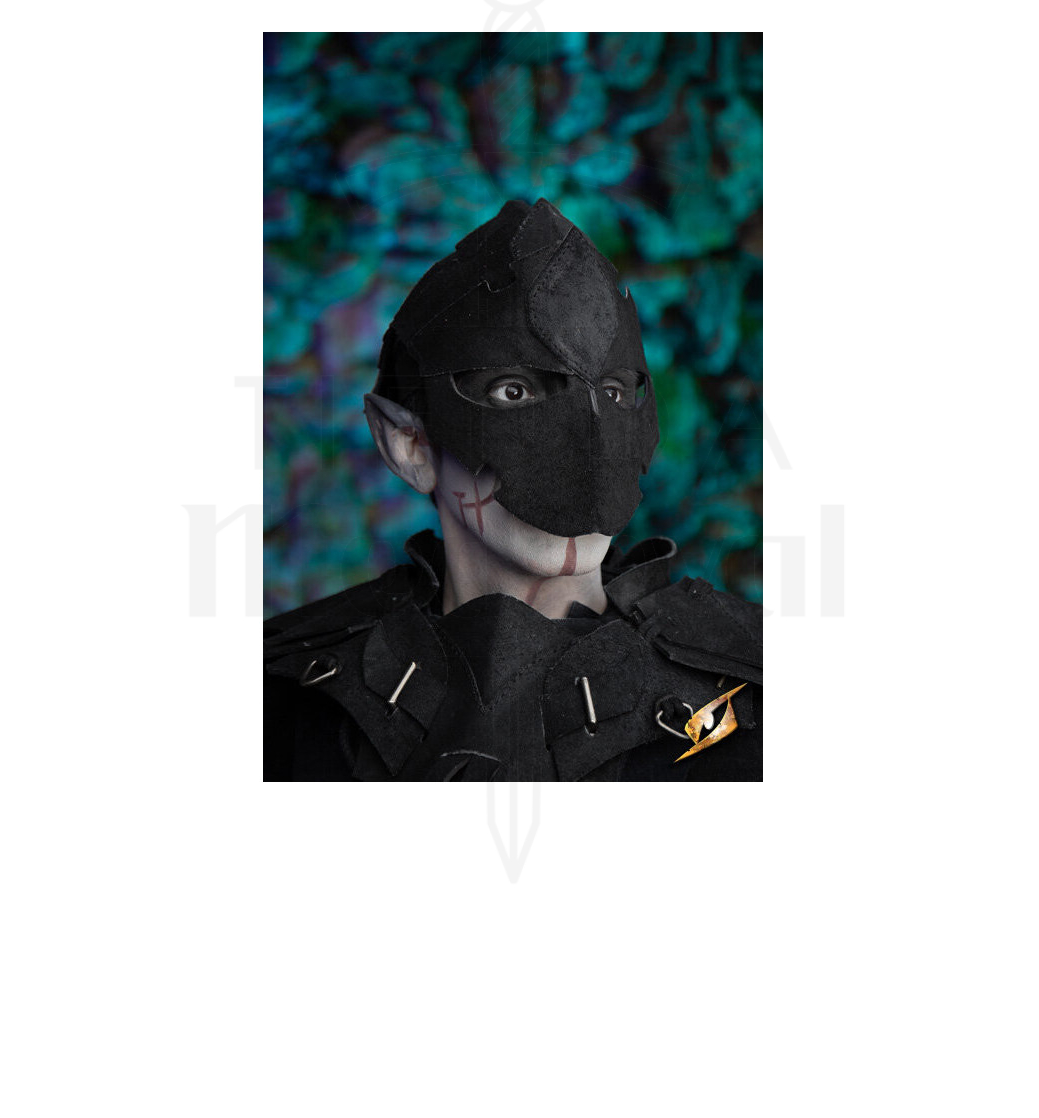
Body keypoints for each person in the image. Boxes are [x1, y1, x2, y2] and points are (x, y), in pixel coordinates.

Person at [264, 198, 762, 781]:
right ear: (408, 444)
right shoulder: (283, 702)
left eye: (612, 392)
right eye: (513, 392)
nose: (588, 455)